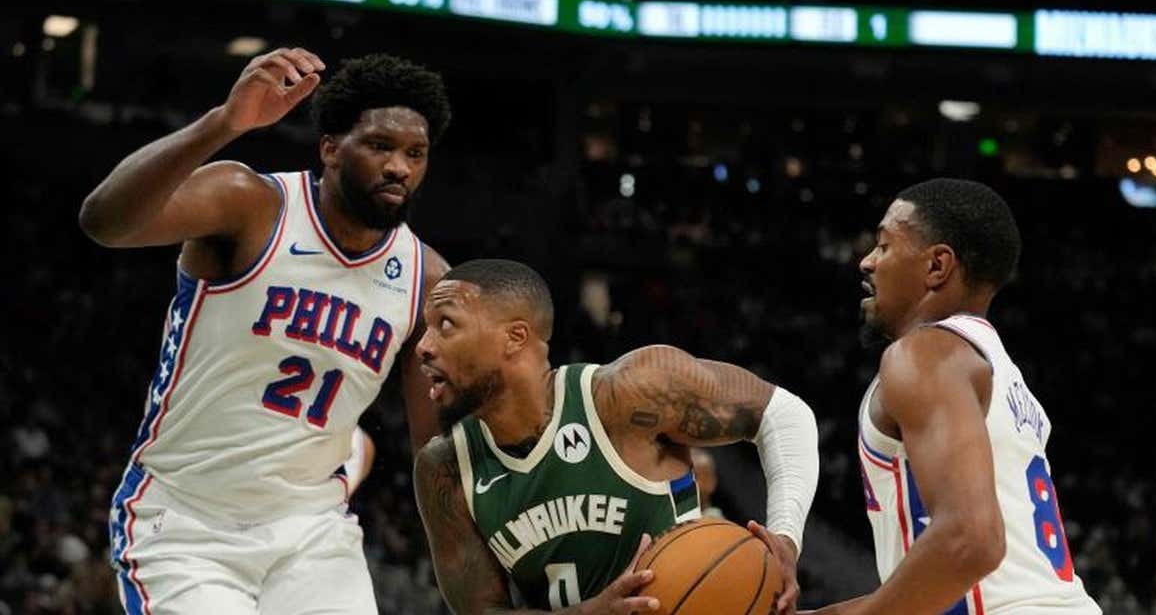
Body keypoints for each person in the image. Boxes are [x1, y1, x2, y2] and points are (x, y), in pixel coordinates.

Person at [78, 47, 452, 614]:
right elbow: (104, 221)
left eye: (415, 153)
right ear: (330, 149)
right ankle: (354, 451)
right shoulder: (251, 204)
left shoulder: (426, 276)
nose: (399, 166)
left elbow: (431, 445)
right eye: (380, 146)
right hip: (187, 520)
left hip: (310, 531)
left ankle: (351, 452)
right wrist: (224, 123)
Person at [411, 259, 820, 614]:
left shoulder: (628, 392)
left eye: (445, 325)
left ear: (515, 337)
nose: (423, 347)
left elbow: (783, 416)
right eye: (425, 328)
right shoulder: (443, 468)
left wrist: (784, 538)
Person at [807, 179, 1100, 614]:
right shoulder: (1002, 373)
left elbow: (971, 539)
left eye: (884, 245)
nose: (867, 261)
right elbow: (964, 585)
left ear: (937, 266)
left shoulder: (923, 354)